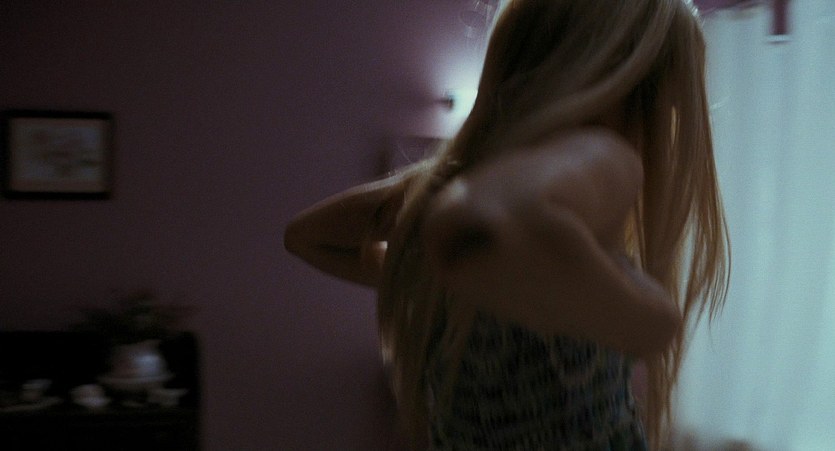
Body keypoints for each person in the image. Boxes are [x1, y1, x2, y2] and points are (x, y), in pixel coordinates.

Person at [284, 0, 729, 449]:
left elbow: (308, 237)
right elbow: (493, 215)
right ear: (641, 88)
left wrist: (422, 259)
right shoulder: (607, 156)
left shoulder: (481, 256)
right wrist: (651, 318)